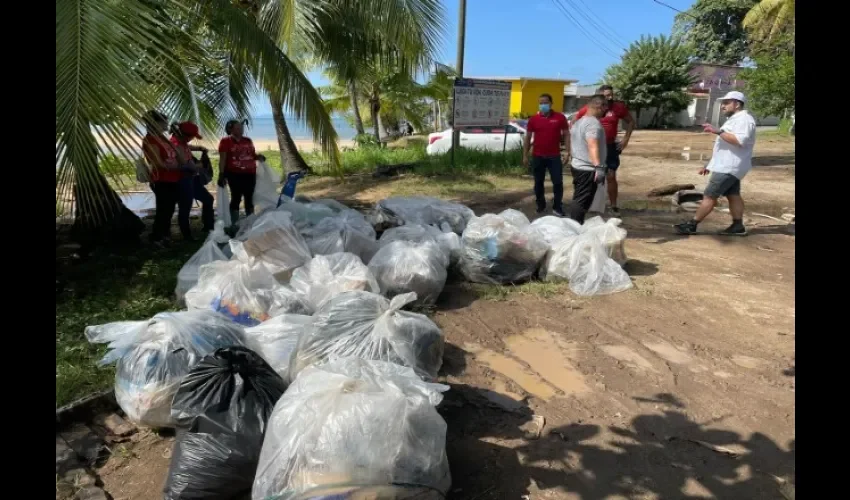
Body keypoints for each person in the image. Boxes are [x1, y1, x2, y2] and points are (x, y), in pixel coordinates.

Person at [674, 91, 756, 236]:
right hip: (730, 165)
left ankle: (692, 225)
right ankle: (738, 226)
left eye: (726, 103)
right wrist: (709, 164)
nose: (723, 106)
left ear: (736, 104)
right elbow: (723, 147)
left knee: (709, 196)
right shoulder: (735, 119)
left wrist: (718, 131)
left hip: (729, 166)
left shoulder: (744, 120)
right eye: (723, 103)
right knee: (733, 195)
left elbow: (739, 141)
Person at [574, 85, 635, 215]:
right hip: (593, 147)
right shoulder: (590, 109)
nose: (610, 97)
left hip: (610, 146)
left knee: (611, 176)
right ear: (600, 97)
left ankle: (613, 206)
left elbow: (630, 121)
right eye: (607, 95)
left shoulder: (618, 107)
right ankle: (590, 205)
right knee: (593, 176)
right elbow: (575, 121)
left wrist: (625, 140)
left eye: (611, 94)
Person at [142, 110, 189, 245]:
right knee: (163, 209)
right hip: (161, 179)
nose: (166, 125)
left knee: (169, 209)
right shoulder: (150, 140)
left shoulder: (163, 139)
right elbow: (157, 163)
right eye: (164, 122)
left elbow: (178, 156)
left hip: (173, 178)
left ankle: (165, 235)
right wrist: (178, 168)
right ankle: (157, 237)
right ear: (155, 123)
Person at [522, 93, 570, 216]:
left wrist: (568, 152)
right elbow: (528, 138)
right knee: (538, 182)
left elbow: (566, 134)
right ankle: (540, 205)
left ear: (551, 103)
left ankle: (557, 206)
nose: (543, 105)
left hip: (554, 156)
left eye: (545, 102)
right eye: (541, 103)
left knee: (558, 182)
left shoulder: (560, 117)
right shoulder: (533, 119)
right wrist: (525, 155)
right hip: (538, 156)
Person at [568, 95, 609, 224]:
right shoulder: (593, 124)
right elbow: (592, 145)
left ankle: (575, 225)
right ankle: (575, 228)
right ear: (599, 106)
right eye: (605, 106)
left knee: (579, 199)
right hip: (588, 169)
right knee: (582, 201)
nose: (607, 109)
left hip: (578, 165)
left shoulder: (579, 122)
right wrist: (599, 167)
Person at [170, 122, 214, 236]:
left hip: (191, 179)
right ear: (185, 135)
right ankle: (187, 234)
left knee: (208, 199)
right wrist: (200, 166)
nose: (192, 139)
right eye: (192, 137)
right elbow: (187, 166)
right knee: (185, 206)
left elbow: (187, 147)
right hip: (184, 180)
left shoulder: (181, 142)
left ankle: (208, 226)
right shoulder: (175, 144)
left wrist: (198, 148)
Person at [218, 119, 263, 223]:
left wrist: (258, 157)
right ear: (230, 129)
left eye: (241, 127)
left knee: (249, 197)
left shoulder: (248, 140)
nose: (241, 129)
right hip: (234, 174)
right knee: (236, 197)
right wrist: (221, 174)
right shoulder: (225, 142)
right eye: (238, 128)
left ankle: (250, 222)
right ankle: (234, 223)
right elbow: (223, 160)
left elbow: (252, 155)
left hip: (250, 174)